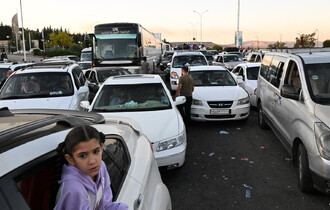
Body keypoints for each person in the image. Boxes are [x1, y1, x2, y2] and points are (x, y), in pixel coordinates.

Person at [54, 125, 129, 210]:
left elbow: (105, 205)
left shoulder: (101, 168)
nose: (92, 161)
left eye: (96, 151)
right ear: (70, 159)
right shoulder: (73, 190)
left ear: (101, 148)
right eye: (83, 155)